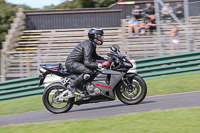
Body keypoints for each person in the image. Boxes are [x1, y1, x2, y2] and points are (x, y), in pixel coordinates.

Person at [65, 28, 110, 95]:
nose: (101, 38)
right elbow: (87, 62)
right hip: (72, 63)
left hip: (77, 62)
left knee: (94, 70)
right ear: (95, 37)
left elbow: (95, 57)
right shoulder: (88, 45)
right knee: (89, 71)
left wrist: (106, 60)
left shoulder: (92, 44)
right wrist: (101, 65)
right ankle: (72, 85)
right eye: (100, 37)